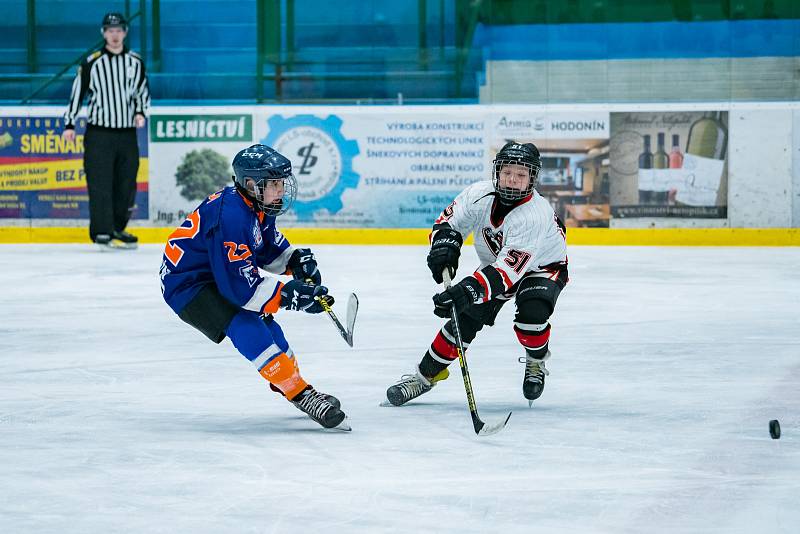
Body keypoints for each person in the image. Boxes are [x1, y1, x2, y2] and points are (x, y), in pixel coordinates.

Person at [159, 144, 350, 431]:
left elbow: (265, 248)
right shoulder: (232, 217)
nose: (281, 190)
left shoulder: (258, 204)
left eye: (282, 183)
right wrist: (290, 295)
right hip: (188, 283)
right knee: (245, 322)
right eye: (274, 184)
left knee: (266, 322)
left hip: (214, 269)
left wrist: (293, 262)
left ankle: (292, 384)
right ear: (251, 184)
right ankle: (300, 392)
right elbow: (243, 292)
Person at [386, 141, 568, 407]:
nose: (512, 180)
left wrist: (465, 291)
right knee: (465, 318)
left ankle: (536, 360)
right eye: (507, 172)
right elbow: (449, 222)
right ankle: (424, 377)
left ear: (532, 178)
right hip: (497, 263)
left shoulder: (534, 215)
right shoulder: (479, 193)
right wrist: (445, 245)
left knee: (532, 315)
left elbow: (506, 274)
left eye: (521, 174)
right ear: (497, 172)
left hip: (541, 268)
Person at [62, 12, 150, 250]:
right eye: (110, 30)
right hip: (99, 133)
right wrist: (69, 124)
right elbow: (77, 93)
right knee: (100, 182)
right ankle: (102, 231)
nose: (114, 35)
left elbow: (142, 92)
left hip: (127, 133)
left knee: (126, 182)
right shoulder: (92, 62)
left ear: (125, 32)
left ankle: (117, 227)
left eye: (119, 30)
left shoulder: (135, 61)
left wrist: (141, 112)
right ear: (104, 33)